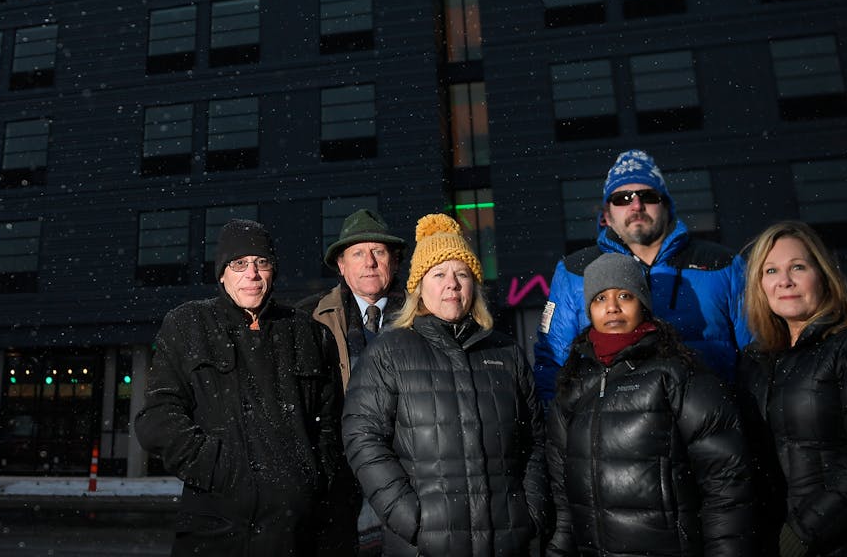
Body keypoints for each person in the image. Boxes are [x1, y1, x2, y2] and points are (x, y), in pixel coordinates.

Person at [135, 218, 344, 557]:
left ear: (273, 271)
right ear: (222, 273)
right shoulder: (188, 324)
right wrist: (222, 470)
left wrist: (313, 474)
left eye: (262, 263)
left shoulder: (307, 332)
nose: (252, 274)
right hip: (216, 529)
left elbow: (329, 421)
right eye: (239, 264)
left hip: (297, 534)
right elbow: (158, 418)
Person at [342, 213, 548, 557]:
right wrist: (412, 519)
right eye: (439, 274)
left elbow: (536, 440)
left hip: (506, 543)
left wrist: (531, 512)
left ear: (474, 286)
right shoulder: (390, 351)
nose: (452, 284)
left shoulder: (506, 352)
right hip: (423, 546)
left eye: (462, 274)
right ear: (419, 287)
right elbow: (361, 438)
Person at [546, 253, 754, 557]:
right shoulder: (573, 383)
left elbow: (726, 481)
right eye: (601, 298)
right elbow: (564, 498)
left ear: (643, 303)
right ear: (589, 309)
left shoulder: (678, 374)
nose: (613, 307)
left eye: (625, 296)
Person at [737, 221, 847, 557]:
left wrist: (804, 532)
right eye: (771, 270)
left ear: (822, 275)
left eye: (798, 267)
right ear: (758, 285)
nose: (784, 281)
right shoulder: (755, 362)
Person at [534, 148, 751, 402]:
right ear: (606, 215)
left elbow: (757, 351)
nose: (636, 205)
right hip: (610, 432)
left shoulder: (722, 264)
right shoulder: (574, 270)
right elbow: (552, 365)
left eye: (647, 196)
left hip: (710, 425)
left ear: (667, 206)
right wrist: (556, 432)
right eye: (622, 198)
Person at [300, 208, 407, 555]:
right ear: (341, 266)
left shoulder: (422, 317)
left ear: (393, 261)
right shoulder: (308, 320)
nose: (370, 262)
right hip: (339, 483)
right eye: (358, 253)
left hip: (409, 474)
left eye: (378, 252)